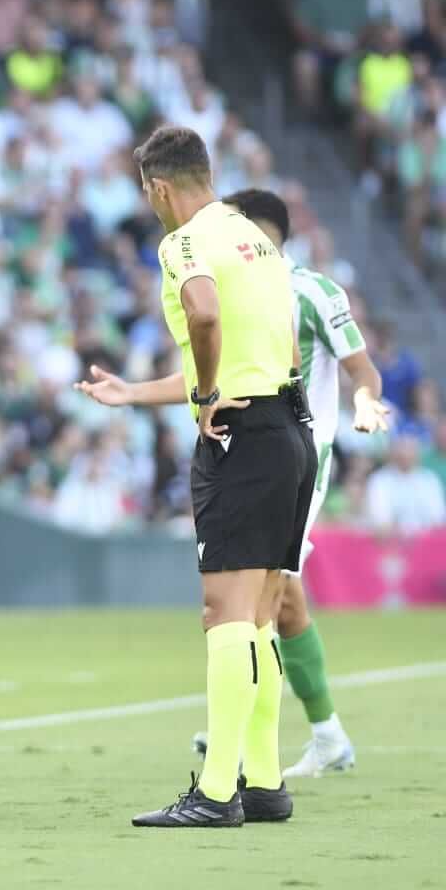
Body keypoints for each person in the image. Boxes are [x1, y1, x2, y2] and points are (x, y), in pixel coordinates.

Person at [77, 127, 316, 827]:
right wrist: (136, 392)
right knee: (261, 614)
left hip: (241, 440)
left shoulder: (183, 243)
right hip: (288, 430)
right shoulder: (255, 240)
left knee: (225, 613)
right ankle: (264, 782)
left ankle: (215, 793)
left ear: (158, 187)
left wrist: (206, 396)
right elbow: (271, 346)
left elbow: (204, 313)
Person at [220, 188, 389, 778]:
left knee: (266, 589)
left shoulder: (314, 292)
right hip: (252, 459)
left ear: (256, 232)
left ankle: (241, 724)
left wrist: (365, 402)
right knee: (284, 597)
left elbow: (362, 369)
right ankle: (328, 736)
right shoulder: (231, 293)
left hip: (304, 459)